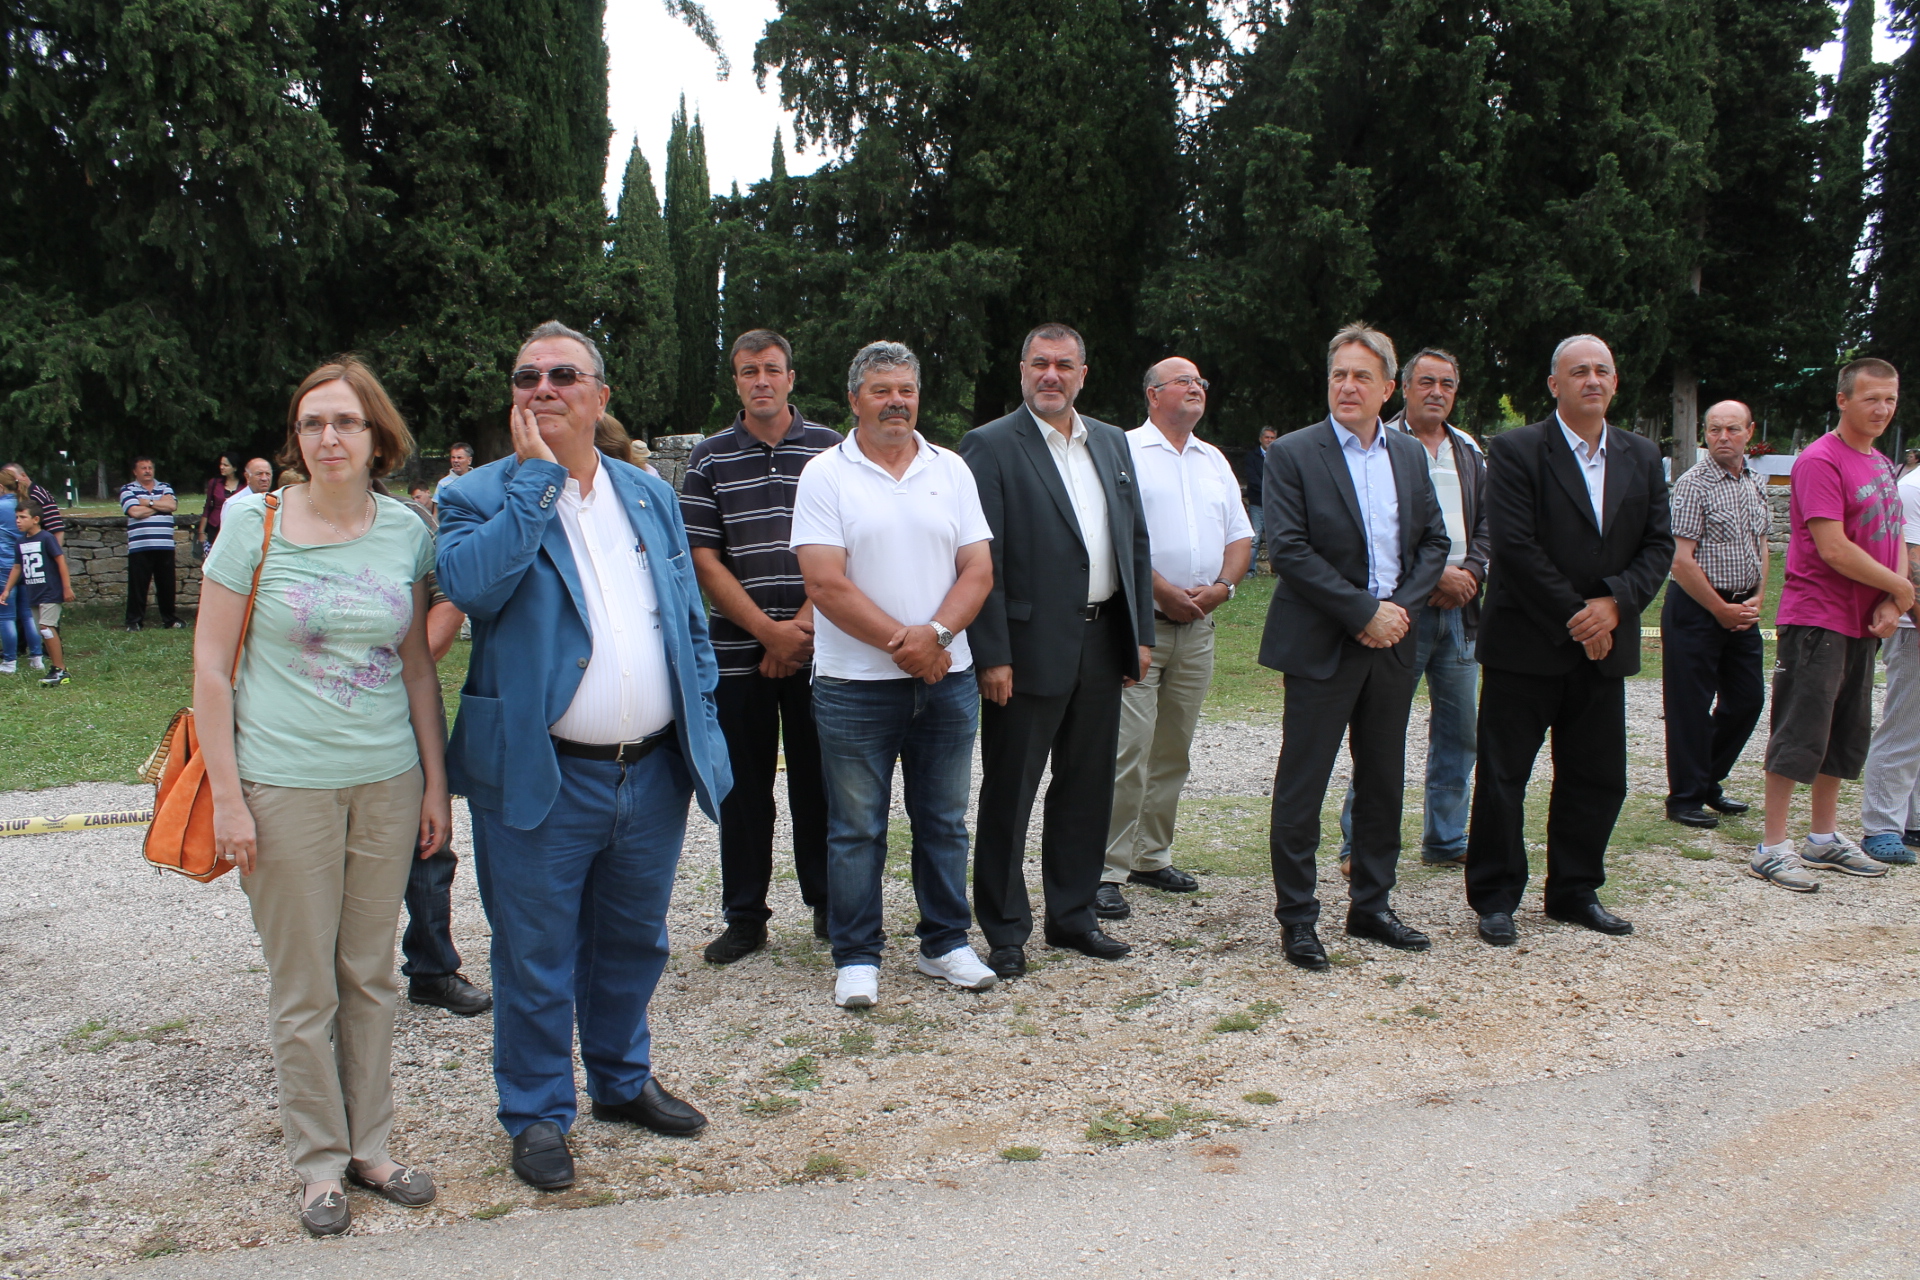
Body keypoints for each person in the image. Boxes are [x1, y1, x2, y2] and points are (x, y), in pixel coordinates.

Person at [437, 321, 731, 1193]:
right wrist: (536, 483)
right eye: (526, 376)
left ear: (600, 397)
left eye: (563, 374)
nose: (543, 388)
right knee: (534, 954)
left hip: (651, 770)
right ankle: (535, 1113)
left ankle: (621, 1079)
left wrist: (700, 708)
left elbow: (685, 616)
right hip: (542, 773)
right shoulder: (476, 494)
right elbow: (473, 588)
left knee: (634, 940)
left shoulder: (646, 493)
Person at [196, 356, 450, 1236]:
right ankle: (318, 1164)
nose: (328, 437)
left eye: (345, 421)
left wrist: (436, 785)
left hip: (387, 780)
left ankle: (370, 1147)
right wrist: (229, 799)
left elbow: (416, 667)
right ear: (296, 439)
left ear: (378, 436)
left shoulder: (406, 530)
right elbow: (211, 669)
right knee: (304, 985)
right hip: (283, 784)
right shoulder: (253, 522)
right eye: (312, 423)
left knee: (370, 975)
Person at [791, 340, 997, 1007]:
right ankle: (857, 954)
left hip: (947, 679)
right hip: (853, 685)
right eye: (881, 390)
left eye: (905, 389)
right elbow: (824, 582)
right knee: (856, 828)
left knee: (944, 820)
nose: (895, 402)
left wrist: (936, 637)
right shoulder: (825, 475)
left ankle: (945, 942)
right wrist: (903, 644)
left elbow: (978, 569)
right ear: (854, 399)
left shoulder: (951, 469)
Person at [959, 323, 1156, 979]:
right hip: (1024, 649)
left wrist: (1140, 635)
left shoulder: (1111, 441)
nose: (1051, 375)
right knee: (1010, 793)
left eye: (1063, 365)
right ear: (1022, 370)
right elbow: (981, 559)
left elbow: (1133, 540)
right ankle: (1005, 929)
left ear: (1082, 374)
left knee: (1087, 787)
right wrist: (992, 654)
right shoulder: (990, 446)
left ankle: (1073, 916)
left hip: (1102, 640)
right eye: (1040, 363)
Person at [1465, 335, 1674, 945]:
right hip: (1527, 645)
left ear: (1615, 382)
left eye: (1602, 370)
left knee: (1597, 777)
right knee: (1504, 777)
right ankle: (1496, 897)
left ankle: (1575, 891)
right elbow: (1515, 547)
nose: (1592, 379)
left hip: (1605, 648)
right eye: (1578, 371)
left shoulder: (1641, 454)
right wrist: (1579, 617)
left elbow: (1658, 544)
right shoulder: (1516, 450)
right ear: (1554, 384)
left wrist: (1615, 604)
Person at [1260, 325, 1451, 970]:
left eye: (1361, 376)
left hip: (1392, 643)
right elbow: (1288, 549)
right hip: (1322, 643)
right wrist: (1362, 611)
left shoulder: (1408, 455)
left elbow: (1434, 542)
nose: (1347, 386)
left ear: (1388, 388)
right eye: (1339, 374)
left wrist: (1396, 611)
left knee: (1382, 782)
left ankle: (1371, 905)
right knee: (1302, 786)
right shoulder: (1293, 453)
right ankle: (1298, 918)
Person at [681, 329, 841, 963]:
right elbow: (704, 558)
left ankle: (829, 903)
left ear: (791, 378)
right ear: (737, 382)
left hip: (821, 646)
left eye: (772, 369)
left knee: (819, 782)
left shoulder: (831, 449)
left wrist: (798, 629)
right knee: (743, 790)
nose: (761, 381)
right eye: (749, 371)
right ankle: (745, 915)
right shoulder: (709, 459)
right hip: (736, 652)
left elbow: (850, 544)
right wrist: (767, 633)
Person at [1098, 357, 1251, 921]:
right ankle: (1105, 868)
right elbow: (1115, 536)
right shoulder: (1125, 451)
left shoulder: (1213, 460)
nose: (1195, 388)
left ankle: (1150, 855)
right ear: (1152, 393)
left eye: (1200, 382)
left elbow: (1240, 536)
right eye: (1183, 381)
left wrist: (1223, 588)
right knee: (1128, 749)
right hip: (1141, 626)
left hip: (1199, 627)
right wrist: (1160, 590)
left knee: (1172, 750)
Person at [1750, 358, 1905, 890]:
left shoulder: (1882, 464)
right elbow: (1833, 547)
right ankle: (1772, 845)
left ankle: (1823, 837)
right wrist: (1904, 588)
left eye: (1890, 399)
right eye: (1871, 398)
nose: (1882, 409)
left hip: (1863, 621)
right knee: (1801, 729)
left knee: (1843, 732)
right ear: (1843, 400)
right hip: (1818, 616)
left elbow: (1893, 533)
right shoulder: (1820, 460)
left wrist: (1893, 599)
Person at [1336, 348, 1489, 876]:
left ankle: (1446, 838)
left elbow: (1488, 523)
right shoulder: (1382, 444)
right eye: (1426, 382)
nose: (1436, 392)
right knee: (1381, 732)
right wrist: (1434, 577)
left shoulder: (1469, 449)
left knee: (1459, 731)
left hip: (1462, 612)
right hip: (1403, 611)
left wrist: (1473, 573)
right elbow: (1379, 533)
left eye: (1447, 384)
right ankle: (1360, 843)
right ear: (1402, 388)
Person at [390, 489, 489, 1017]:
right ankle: (331, 987)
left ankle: (432, 968)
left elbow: (448, 594)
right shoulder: (281, 519)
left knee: (428, 840)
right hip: (315, 718)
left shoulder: (407, 520)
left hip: (401, 704)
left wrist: (409, 660)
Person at [1662, 401, 1770, 830]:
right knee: (1689, 706)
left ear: (1749, 431)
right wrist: (1718, 609)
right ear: (1704, 434)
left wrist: (1758, 596)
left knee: (1748, 699)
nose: (1723, 437)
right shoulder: (1693, 484)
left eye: (1732, 429)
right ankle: (1685, 798)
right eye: (1714, 430)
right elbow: (1680, 559)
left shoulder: (1755, 482)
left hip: (1742, 608)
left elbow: (1761, 544)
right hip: (1696, 608)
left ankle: (1708, 778)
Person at [3, 501, 73, 686]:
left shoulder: (46, 538)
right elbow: (17, 567)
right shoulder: (20, 542)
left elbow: (60, 561)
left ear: (35, 519)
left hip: (50, 591)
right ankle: (55, 668)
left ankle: (60, 669)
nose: (18, 521)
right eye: (16, 517)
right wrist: (7, 590)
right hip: (33, 593)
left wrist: (66, 587)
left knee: (46, 628)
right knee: (43, 630)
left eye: (22, 517)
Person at [120, 457, 181, 631]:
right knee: (138, 586)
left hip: (165, 544)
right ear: (135, 471)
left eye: (150, 467)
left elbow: (172, 506)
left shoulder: (165, 487)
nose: (147, 471)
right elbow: (135, 512)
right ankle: (134, 621)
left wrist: (147, 502)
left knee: (167, 585)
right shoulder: (127, 489)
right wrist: (160, 505)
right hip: (140, 545)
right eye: (143, 468)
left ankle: (170, 620)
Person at [0, 483, 44, 675]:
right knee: (28, 614)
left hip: (4, 564)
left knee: (6, 616)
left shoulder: (1, 506)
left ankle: (9, 661)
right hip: (25, 562)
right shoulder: (22, 504)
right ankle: (37, 658)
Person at [1240, 427, 1277, 573]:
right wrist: (1268, 491)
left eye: (1272, 438)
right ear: (1261, 439)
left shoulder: (1279, 455)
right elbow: (1253, 479)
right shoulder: (1252, 456)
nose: (1269, 440)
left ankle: (1277, 570)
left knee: (1275, 538)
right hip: (1257, 502)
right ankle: (1250, 570)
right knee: (1254, 539)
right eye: (1267, 437)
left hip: (1274, 504)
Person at [5, 463, 67, 548]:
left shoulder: (39, 495)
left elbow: (56, 528)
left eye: (13, 478)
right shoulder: (13, 497)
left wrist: (55, 553)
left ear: (23, 475)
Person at [197, 453, 244, 558]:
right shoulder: (214, 483)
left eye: (226, 465)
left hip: (237, 528)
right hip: (215, 526)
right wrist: (201, 532)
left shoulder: (245, 485)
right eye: (221, 464)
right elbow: (207, 507)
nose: (222, 467)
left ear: (235, 467)